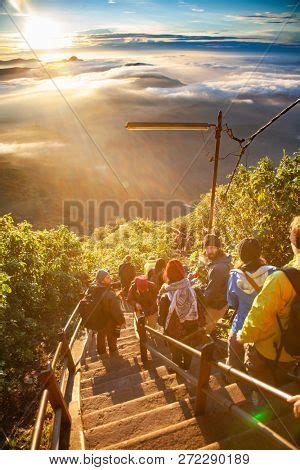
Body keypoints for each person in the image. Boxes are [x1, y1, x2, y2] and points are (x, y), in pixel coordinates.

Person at [237, 216, 300, 386]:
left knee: (262, 386)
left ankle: (262, 405)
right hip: (295, 348)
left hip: (274, 349)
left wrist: (243, 337)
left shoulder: (282, 278)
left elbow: (259, 313)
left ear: (293, 241)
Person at [226, 238, 276, 370]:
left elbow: (232, 302)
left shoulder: (234, 276)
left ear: (241, 255)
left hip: (241, 326)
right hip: (266, 326)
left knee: (234, 365)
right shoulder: (273, 272)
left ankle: (235, 381)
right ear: (259, 253)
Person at [158, 259, 199, 370]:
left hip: (173, 330)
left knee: (175, 349)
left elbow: (161, 319)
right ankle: (186, 367)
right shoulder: (191, 289)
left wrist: (162, 324)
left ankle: (176, 368)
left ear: (168, 273)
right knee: (188, 348)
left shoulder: (166, 294)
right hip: (190, 328)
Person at [84, 269, 126, 356]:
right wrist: (122, 321)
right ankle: (113, 352)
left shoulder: (93, 289)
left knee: (100, 335)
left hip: (98, 319)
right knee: (112, 337)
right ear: (102, 280)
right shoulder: (110, 294)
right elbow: (116, 310)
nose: (110, 278)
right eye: (107, 277)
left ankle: (102, 353)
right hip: (109, 320)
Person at [197, 233, 232, 333]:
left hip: (216, 306)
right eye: (207, 248)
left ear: (218, 248)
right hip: (222, 303)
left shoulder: (218, 267)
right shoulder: (223, 261)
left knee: (201, 333)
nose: (209, 251)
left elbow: (209, 295)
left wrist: (197, 294)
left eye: (212, 248)